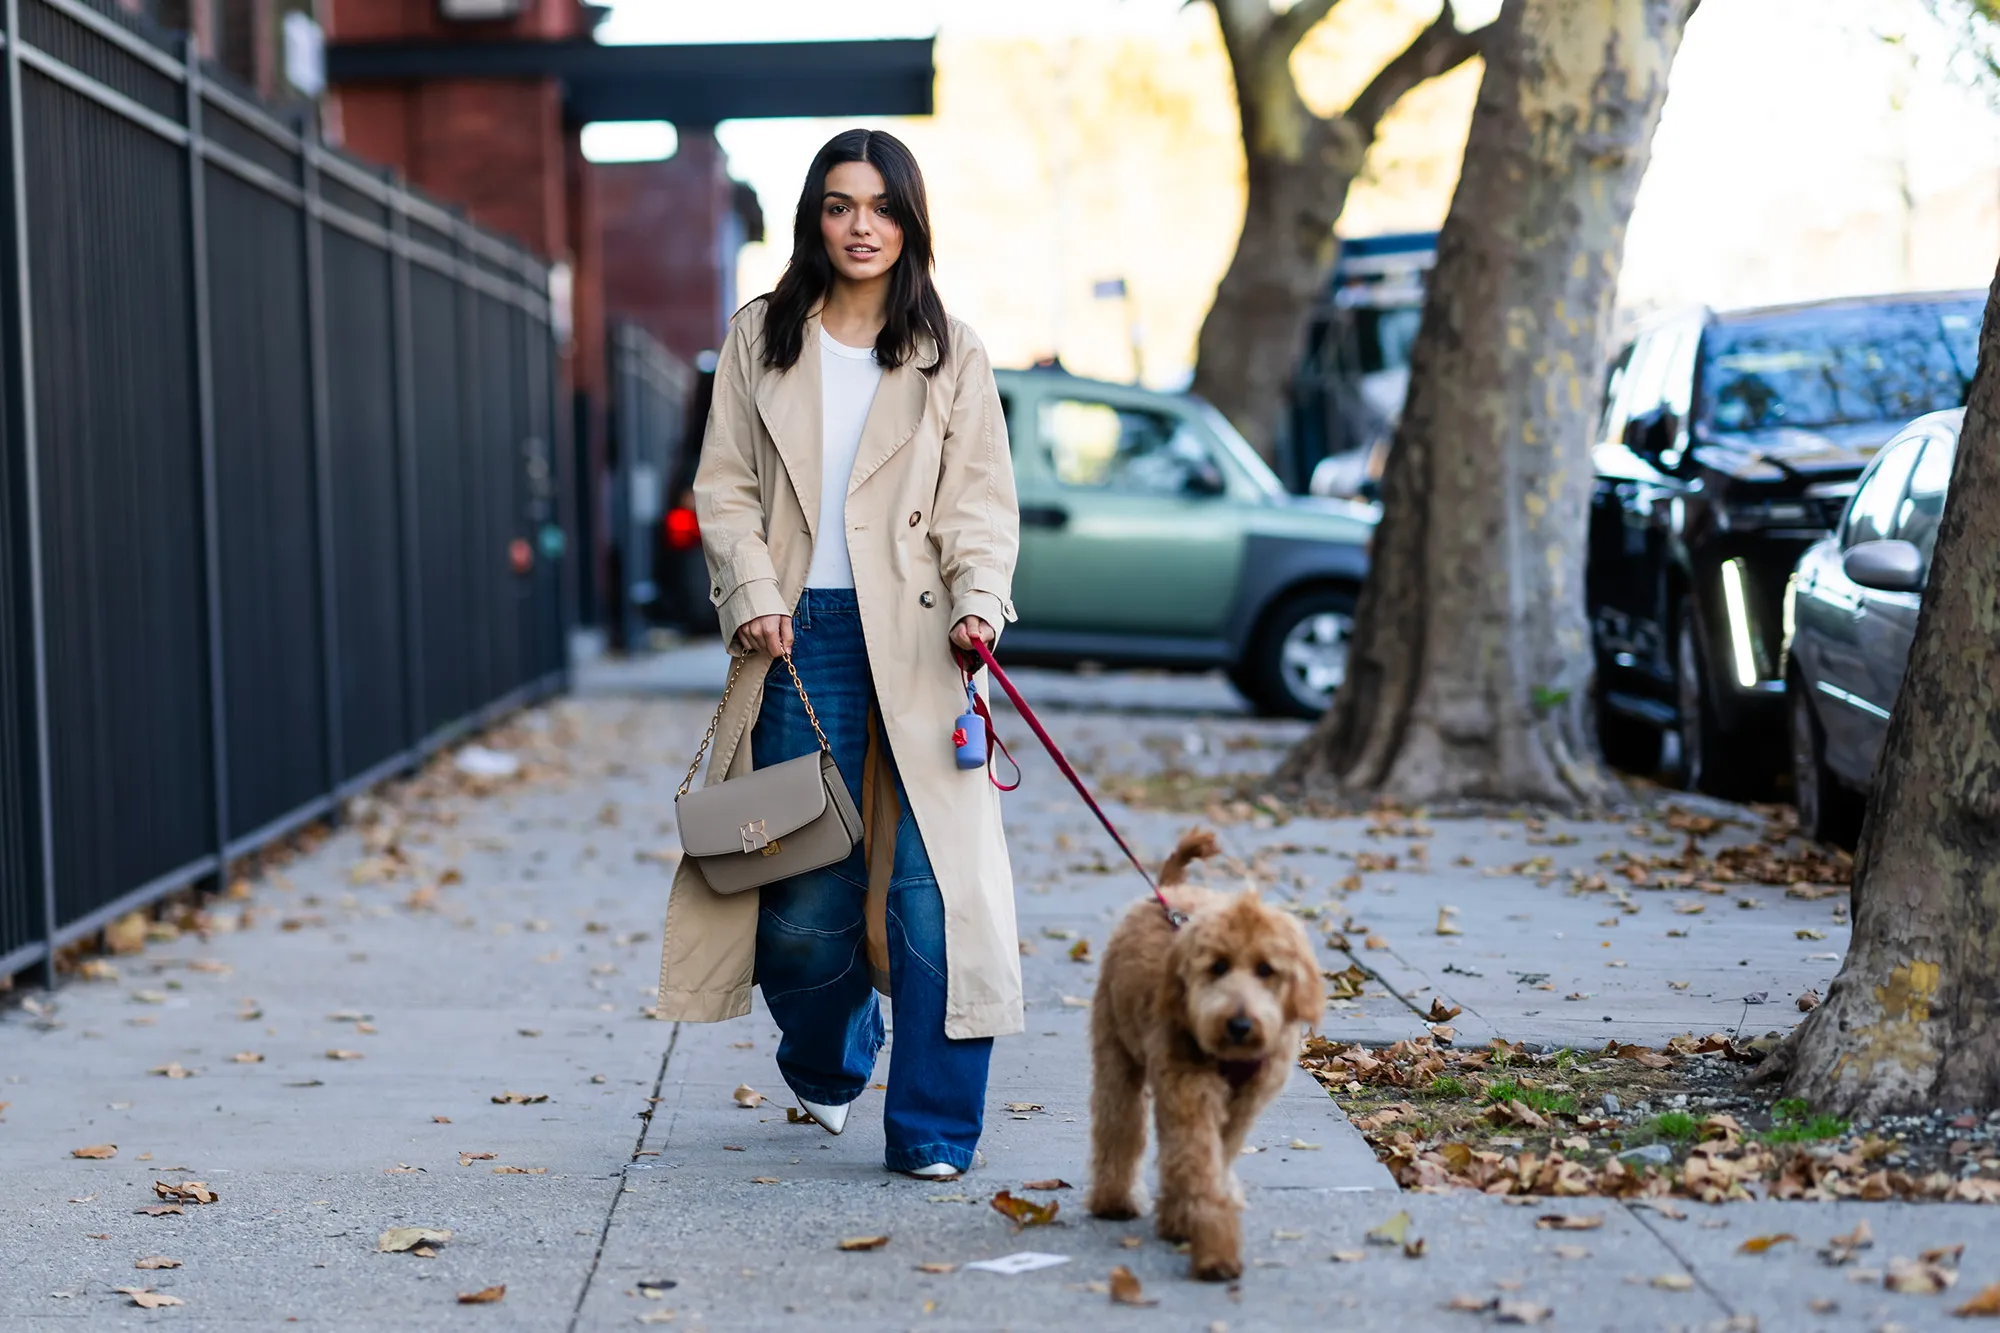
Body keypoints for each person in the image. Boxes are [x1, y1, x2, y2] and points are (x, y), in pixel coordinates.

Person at [654, 129, 1023, 1180]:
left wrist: (979, 606)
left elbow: (979, 505)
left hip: (922, 642)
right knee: (800, 903)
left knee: (934, 895)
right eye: (840, 204)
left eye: (882, 206)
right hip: (795, 636)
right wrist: (753, 592)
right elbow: (724, 485)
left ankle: (934, 1129)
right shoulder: (761, 336)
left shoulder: (951, 352)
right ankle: (832, 1050)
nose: (863, 226)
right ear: (815, 219)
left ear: (910, 222)